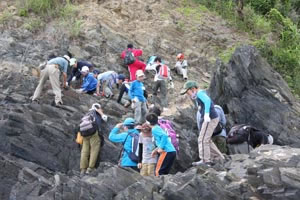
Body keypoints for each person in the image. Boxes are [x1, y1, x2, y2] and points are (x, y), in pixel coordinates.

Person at [180, 81, 224, 167]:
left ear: (193, 89)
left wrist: (207, 114)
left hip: (210, 118)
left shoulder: (199, 93)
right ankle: (219, 157)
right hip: (211, 118)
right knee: (207, 139)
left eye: (187, 91)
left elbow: (207, 101)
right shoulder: (198, 95)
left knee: (202, 139)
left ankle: (205, 160)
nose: (187, 94)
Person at [80, 103, 107, 175]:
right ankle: (90, 168)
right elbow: (105, 118)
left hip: (85, 133)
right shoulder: (97, 113)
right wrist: (101, 112)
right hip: (94, 133)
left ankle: (83, 169)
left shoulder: (87, 113)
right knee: (94, 150)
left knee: (84, 151)